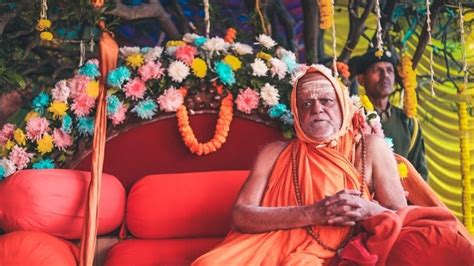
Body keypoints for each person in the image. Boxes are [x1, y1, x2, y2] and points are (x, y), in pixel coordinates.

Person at [192, 65, 473, 265]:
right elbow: (241, 215)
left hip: (342, 250)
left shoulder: (369, 148)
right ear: (297, 114)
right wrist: (312, 213)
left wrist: (368, 210)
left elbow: (400, 215)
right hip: (271, 244)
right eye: (307, 104)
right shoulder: (274, 152)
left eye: (326, 101)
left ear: (342, 106)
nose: (317, 109)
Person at [349, 49, 429, 180]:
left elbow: (420, 171)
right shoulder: (354, 117)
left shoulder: (409, 122)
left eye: (389, 70)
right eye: (377, 70)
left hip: (404, 197)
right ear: (361, 79)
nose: (385, 75)